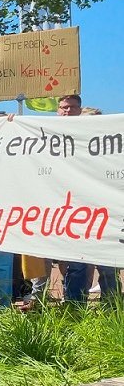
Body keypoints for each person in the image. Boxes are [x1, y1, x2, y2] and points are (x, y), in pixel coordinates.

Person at [55, 95, 119, 303]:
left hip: (104, 211)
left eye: (72, 107)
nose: (67, 110)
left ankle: (113, 307)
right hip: (75, 212)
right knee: (77, 264)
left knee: (108, 263)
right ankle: (74, 307)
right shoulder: (56, 138)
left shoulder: (110, 144)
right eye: (63, 107)